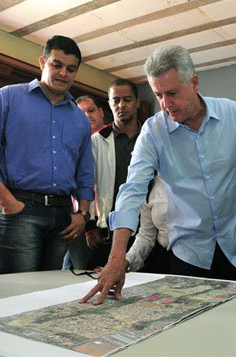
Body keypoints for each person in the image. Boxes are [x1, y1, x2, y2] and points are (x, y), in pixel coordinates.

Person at [81, 45, 236, 304]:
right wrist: (117, 258)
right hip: (189, 255)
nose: (166, 105)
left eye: (172, 93)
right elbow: (132, 190)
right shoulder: (153, 132)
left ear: (194, 82)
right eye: (158, 95)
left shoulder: (232, 114)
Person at [0, 35, 95, 274]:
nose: (63, 73)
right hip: (20, 209)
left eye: (71, 69)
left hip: (64, 217)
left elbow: (85, 171)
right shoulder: (7, 98)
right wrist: (7, 202)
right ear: (42, 62)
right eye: (57, 64)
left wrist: (83, 214)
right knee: (16, 293)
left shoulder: (79, 118)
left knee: (47, 294)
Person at [66, 79, 149, 271]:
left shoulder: (151, 137)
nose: (121, 105)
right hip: (106, 231)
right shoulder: (96, 141)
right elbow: (83, 185)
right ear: (110, 104)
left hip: (145, 227)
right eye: (116, 100)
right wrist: (90, 226)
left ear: (137, 102)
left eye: (127, 99)